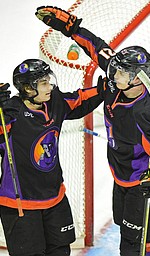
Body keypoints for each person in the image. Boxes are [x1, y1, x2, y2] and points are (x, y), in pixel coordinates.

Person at [35, 6, 150, 256]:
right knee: (129, 232)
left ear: (139, 78)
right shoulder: (118, 83)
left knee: (135, 245)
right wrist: (71, 28)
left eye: (122, 72)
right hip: (121, 176)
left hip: (143, 183)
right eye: (115, 69)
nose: (114, 74)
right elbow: (96, 47)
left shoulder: (147, 111)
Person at [0, 59, 103, 256]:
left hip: (55, 198)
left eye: (49, 80)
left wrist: (106, 88)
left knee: (61, 251)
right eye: (44, 83)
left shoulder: (54, 101)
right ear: (28, 89)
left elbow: (79, 99)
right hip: (20, 204)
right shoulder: (10, 112)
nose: (50, 86)